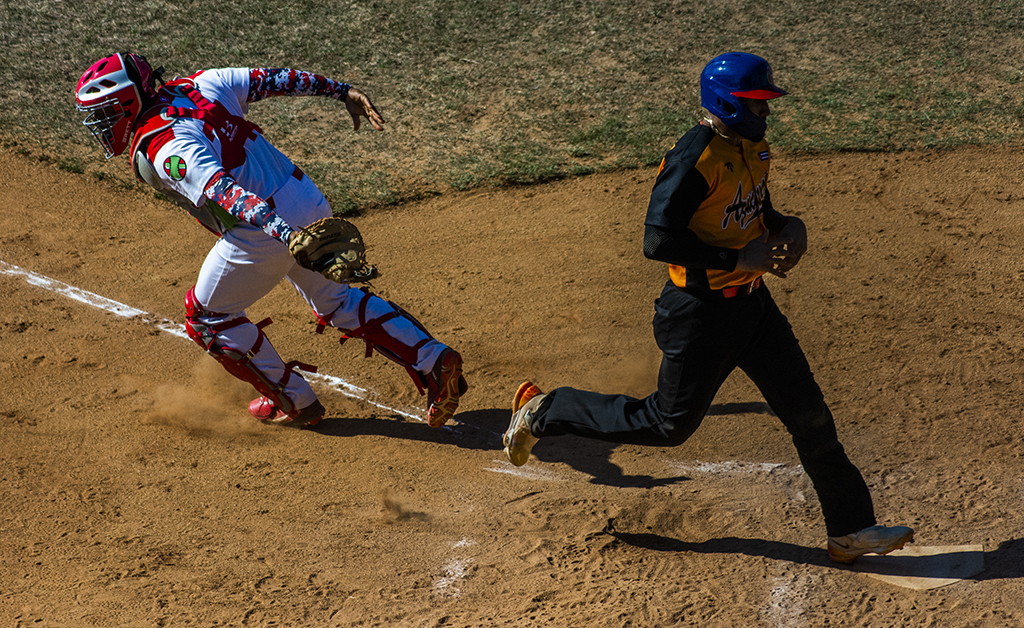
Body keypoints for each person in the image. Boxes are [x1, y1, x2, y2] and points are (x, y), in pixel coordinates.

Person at [502, 52, 913, 564]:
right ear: (730, 103)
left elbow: (753, 207)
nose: (768, 112)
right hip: (698, 315)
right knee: (667, 425)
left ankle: (850, 530)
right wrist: (737, 258)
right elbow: (657, 241)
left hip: (754, 308)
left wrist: (787, 225)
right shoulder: (693, 160)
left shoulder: (753, 148)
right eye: (759, 103)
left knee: (809, 416)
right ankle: (546, 410)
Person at [74, 52, 467, 429]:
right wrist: (342, 91)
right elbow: (278, 79)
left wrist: (286, 234)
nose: (102, 125)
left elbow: (226, 192)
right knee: (336, 300)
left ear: (128, 102)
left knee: (206, 318)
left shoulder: (167, 147)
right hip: (306, 197)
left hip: (264, 230)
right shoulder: (201, 83)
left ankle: (293, 399)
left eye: (106, 113)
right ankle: (434, 360)